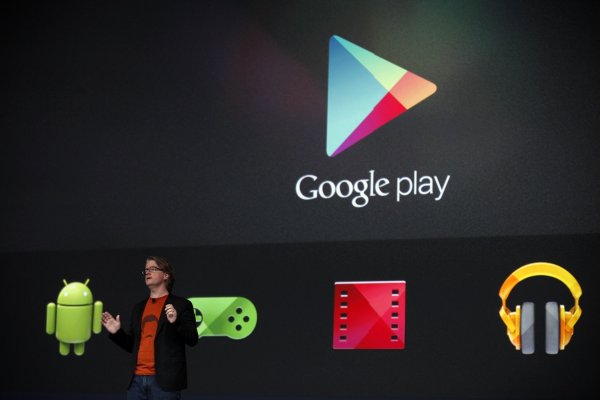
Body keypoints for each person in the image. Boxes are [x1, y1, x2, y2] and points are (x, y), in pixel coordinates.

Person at [101, 256, 198, 399]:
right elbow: (132, 346)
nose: (147, 272)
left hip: (164, 382)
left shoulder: (181, 304)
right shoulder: (138, 308)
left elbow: (192, 339)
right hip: (136, 382)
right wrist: (116, 333)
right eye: (146, 270)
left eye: (152, 269)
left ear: (165, 275)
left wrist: (175, 322)